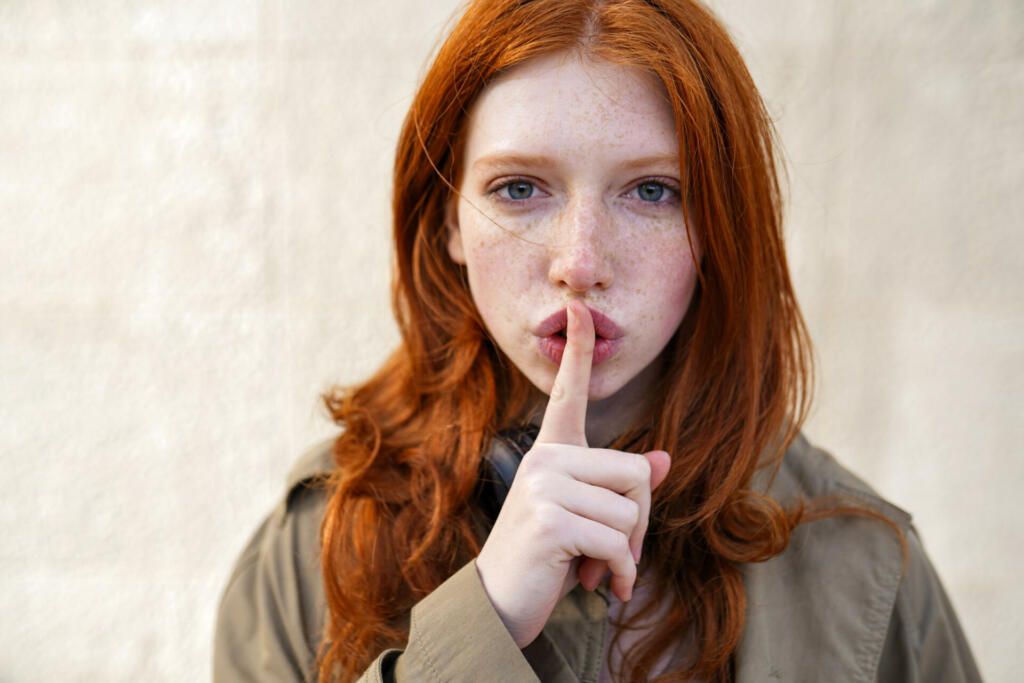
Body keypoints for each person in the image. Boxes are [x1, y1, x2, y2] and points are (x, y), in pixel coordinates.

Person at [214, 1, 981, 681]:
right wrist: (483, 627)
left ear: (718, 227)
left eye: (653, 191)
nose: (580, 263)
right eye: (519, 188)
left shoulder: (866, 569)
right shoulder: (312, 547)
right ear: (447, 220)